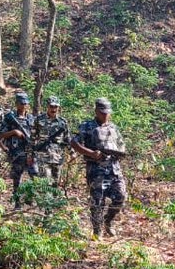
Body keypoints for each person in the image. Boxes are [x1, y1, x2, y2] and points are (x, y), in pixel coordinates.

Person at [70, 97, 128, 238]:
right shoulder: (87, 126)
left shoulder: (113, 127)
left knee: (121, 197)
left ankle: (108, 221)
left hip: (114, 169)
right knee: (97, 201)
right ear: (96, 111)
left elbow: (121, 145)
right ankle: (97, 230)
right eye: (102, 112)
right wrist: (91, 153)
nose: (105, 115)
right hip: (96, 170)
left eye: (107, 113)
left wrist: (120, 152)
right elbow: (74, 143)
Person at [0, 92, 37, 208]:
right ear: (16, 104)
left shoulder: (31, 118)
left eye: (26, 103)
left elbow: (36, 134)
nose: (24, 105)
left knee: (35, 176)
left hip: (30, 152)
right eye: (22, 103)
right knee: (17, 178)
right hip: (17, 152)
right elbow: (1, 134)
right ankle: (17, 203)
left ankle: (30, 198)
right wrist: (14, 132)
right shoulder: (10, 118)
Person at [33, 96, 70, 185]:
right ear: (47, 106)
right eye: (51, 106)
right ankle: (45, 199)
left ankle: (55, 199)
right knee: (46, 183)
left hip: (58, 157)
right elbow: (32, 137)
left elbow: (67, 138)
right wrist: (30, 154)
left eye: (55, 107)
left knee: (55, 184)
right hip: (43, 156)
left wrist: (72, 153)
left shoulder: (63, 122)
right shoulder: (39, 120)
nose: (53, 109)